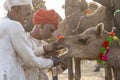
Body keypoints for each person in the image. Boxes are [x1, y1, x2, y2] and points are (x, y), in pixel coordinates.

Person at [0, 0, 61, 80]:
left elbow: (47, 72)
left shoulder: (3, 25)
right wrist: (52, 62)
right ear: (16, 10)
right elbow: (28, 61)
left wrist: (59, 65)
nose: (28, 19)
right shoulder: (14, 26)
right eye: (27, 14)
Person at [24, 8, 66, 80]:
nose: (52, 35)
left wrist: (61, 67)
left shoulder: (44, 44)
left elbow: (49, 72)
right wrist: (43, 49)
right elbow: (23, 63)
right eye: (51, 30)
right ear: (42, 26)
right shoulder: (23, 40)